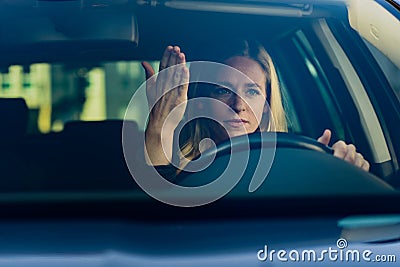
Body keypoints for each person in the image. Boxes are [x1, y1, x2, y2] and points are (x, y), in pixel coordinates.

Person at [141, 41, 370, 179]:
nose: (239, 106)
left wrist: (341, 172)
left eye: (252, 92)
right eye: (223, 91)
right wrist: (161, 125)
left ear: (267, 104)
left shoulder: (293, 165)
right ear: (202, 101)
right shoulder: (180, 170)